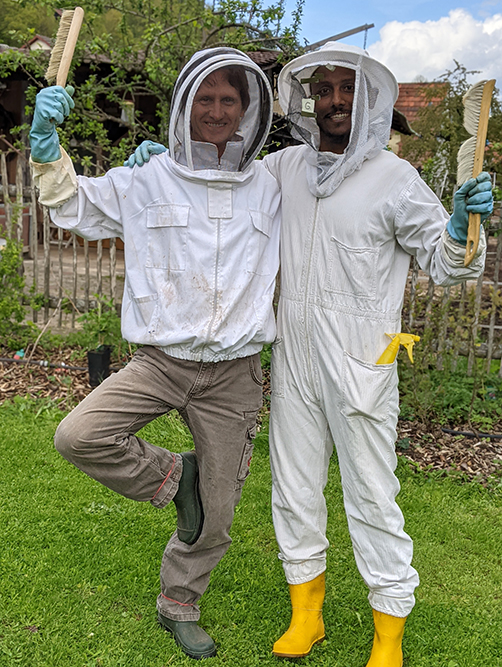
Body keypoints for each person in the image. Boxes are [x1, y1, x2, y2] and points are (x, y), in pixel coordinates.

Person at [126, 42, 493, 666]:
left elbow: (450, 265)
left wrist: (461, 231)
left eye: (347, 90)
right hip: (293, 352)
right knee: (293, 487)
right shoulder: (283, 170)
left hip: (362, 360)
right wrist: (170, 165)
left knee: (373, 494)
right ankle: (307, 616)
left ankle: (388, 635)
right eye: (323, 90)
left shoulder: (396, 181)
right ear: (309, 101)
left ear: (370, 99)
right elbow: (221, 191)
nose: (335, 101)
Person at [29, 47, 280, 660]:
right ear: (186, 106)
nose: (216, 110)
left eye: (229, 99)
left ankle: (180, 604)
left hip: (235, 373)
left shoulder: (273, 187)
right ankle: (175, 476)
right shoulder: (147, 177)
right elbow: (72, 206)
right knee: (79, 435)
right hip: (161, 362)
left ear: (247, 112)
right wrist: (44, 145)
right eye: (206, 98)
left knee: (217, 515)